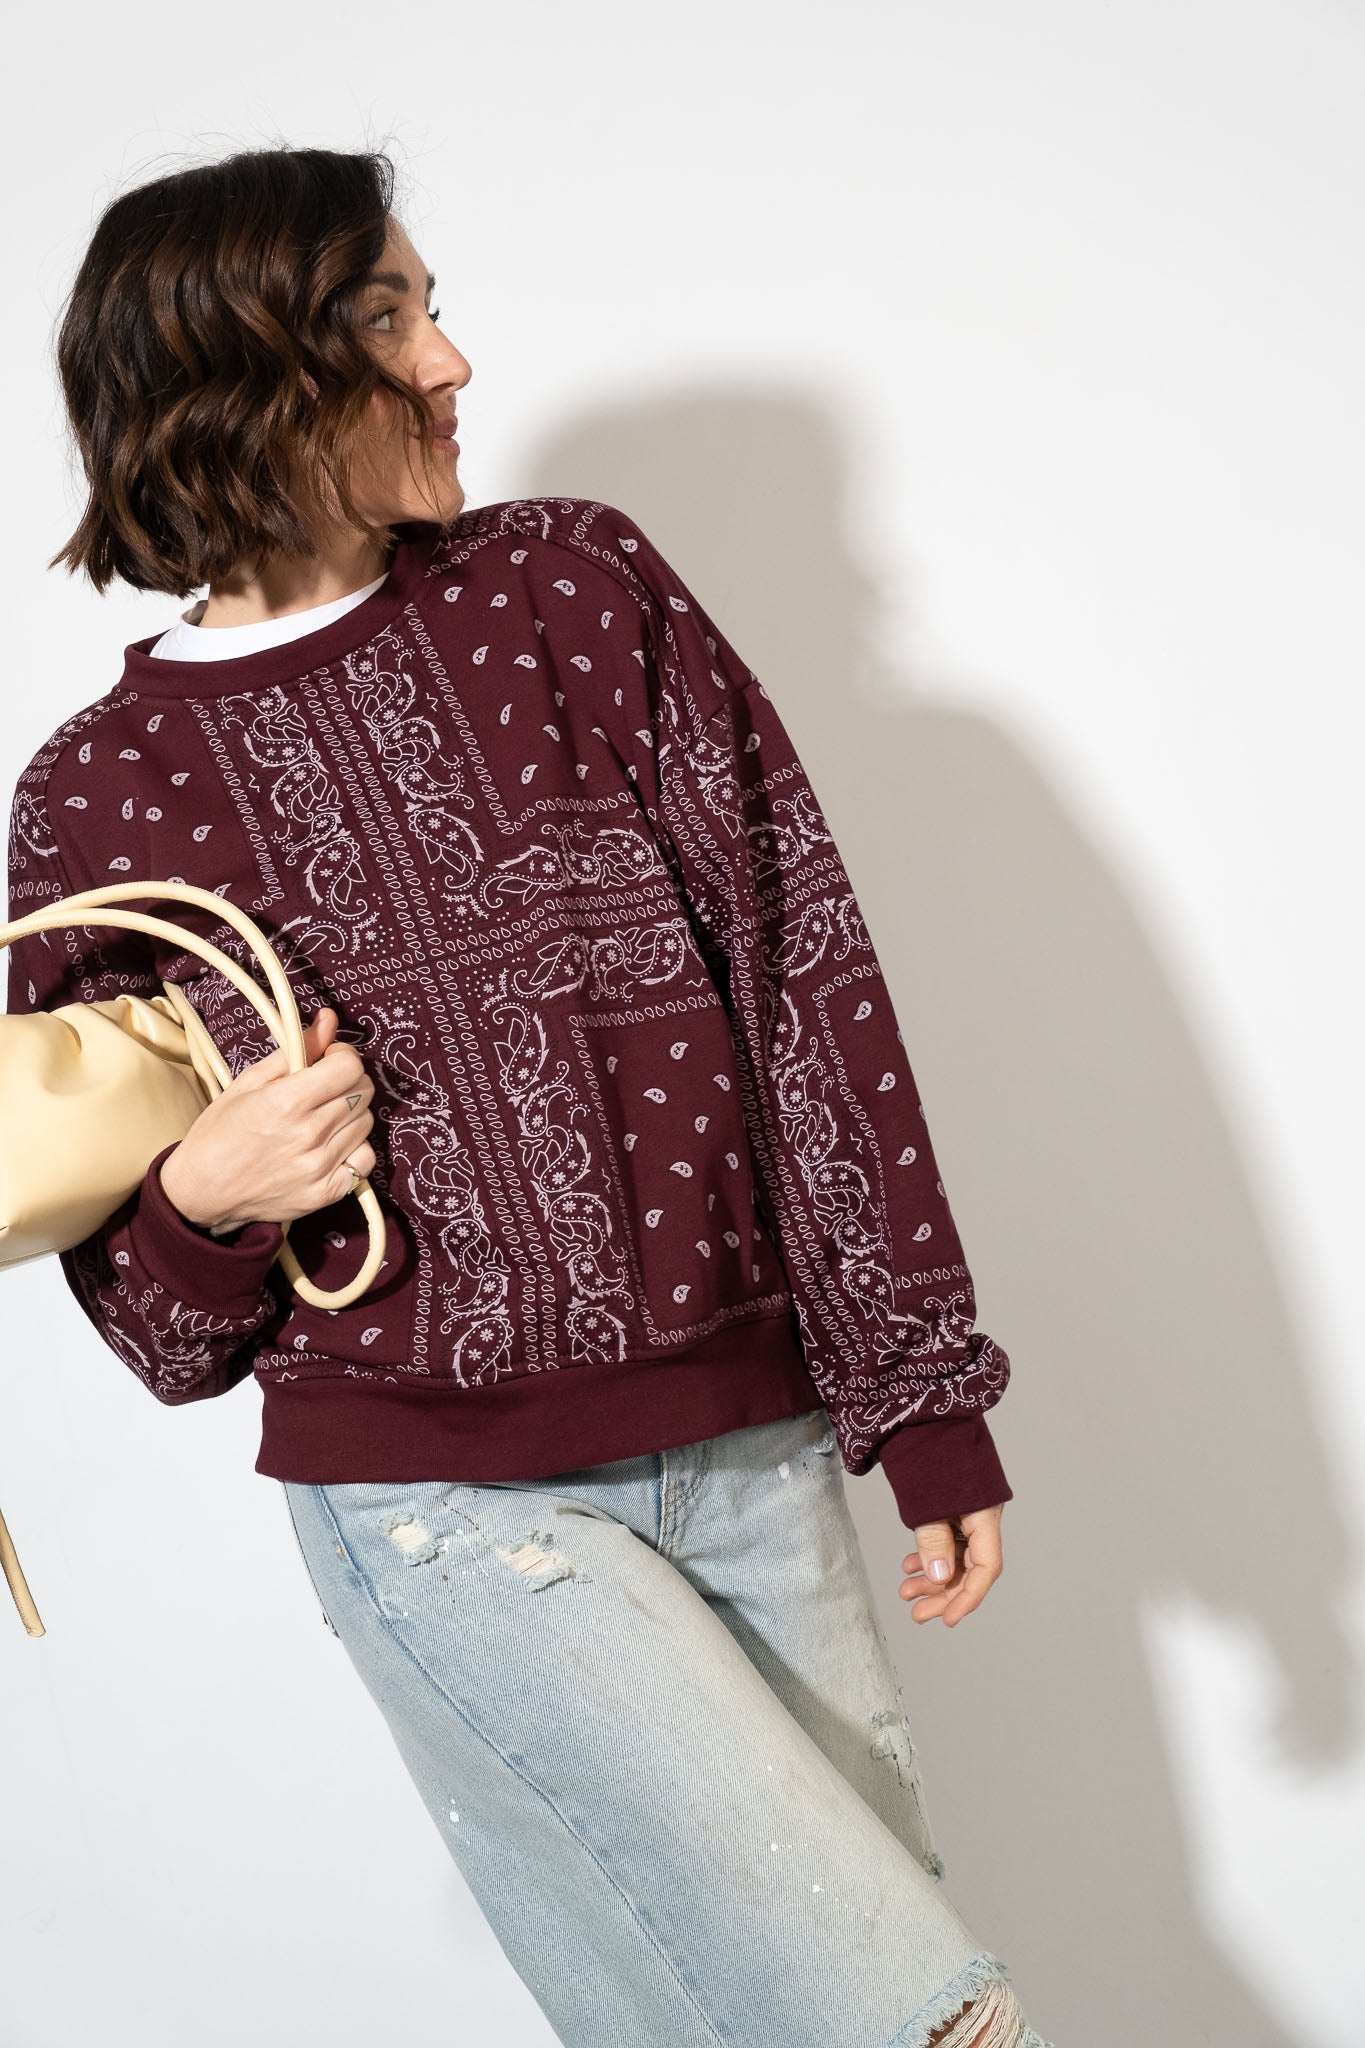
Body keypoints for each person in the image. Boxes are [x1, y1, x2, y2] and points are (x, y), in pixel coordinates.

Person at [5, 145, 1051, 2047]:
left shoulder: (574, 587)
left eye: (434, 306)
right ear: (244, 374)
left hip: (751, 1450)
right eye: (387, 318)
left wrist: (921, 1394)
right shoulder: (98, 796)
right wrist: (209, 1196)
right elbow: (156, 1336)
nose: (451, 360)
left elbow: (799, 971)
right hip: (438, 1512)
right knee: (909, 2013)